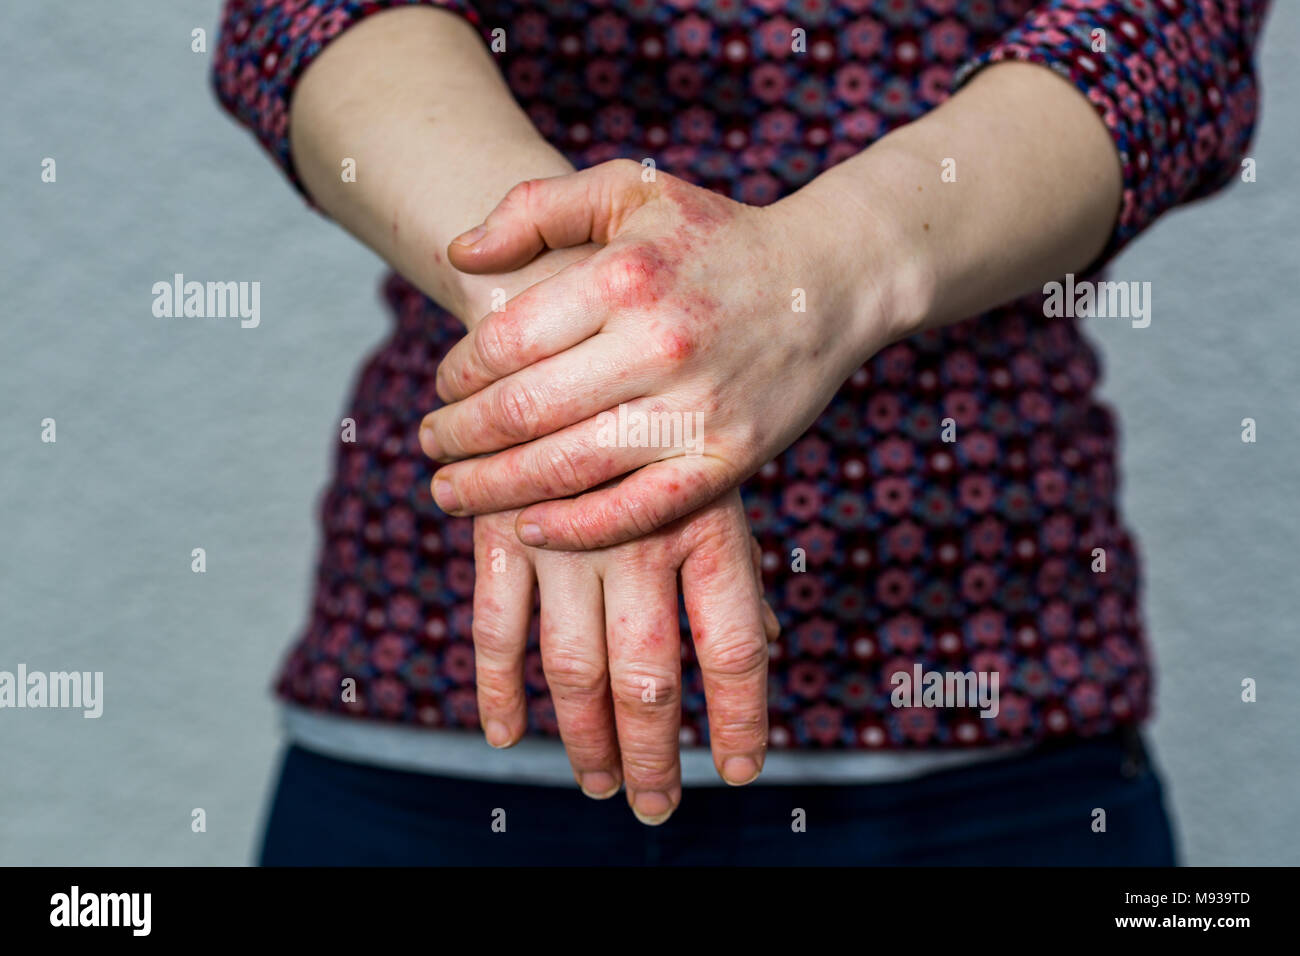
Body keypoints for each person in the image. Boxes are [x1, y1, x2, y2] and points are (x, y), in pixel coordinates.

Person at [212, 0, 1269, 865]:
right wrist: (578, 321)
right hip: (441, 719)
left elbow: (1160, 30)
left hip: (987, 712)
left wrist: (816, 276)